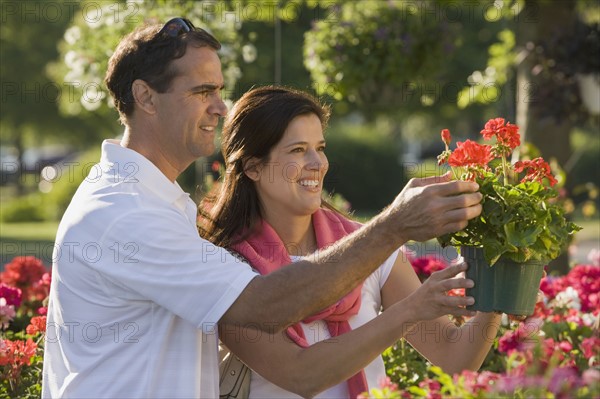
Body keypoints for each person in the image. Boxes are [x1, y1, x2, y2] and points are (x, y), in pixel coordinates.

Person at [41, 18, 482, 398]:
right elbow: (266, 306)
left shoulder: (155, 202)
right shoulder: (126, 213)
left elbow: (454, 353)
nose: (220, 106)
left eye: (220, 90)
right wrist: (395, 226)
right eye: (202, 91)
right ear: (146, 97)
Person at [200, 86, 501, 399]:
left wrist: (501, 284)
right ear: (253, 167)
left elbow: (454, 356)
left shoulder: (373, 247)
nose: (318, 163)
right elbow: (303, 374)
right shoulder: (228, 268)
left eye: (320, 147)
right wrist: (409, 311)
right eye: (298, 150)